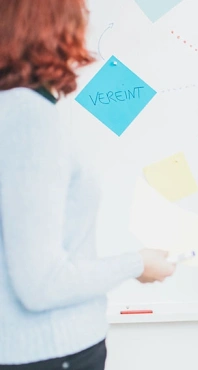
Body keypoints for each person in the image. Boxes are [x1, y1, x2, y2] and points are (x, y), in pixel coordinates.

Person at [0, 1, 176, 369]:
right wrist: (137, 263)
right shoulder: (29, 118)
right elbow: (41, 283)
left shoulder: (19, 111)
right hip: (52, 350)